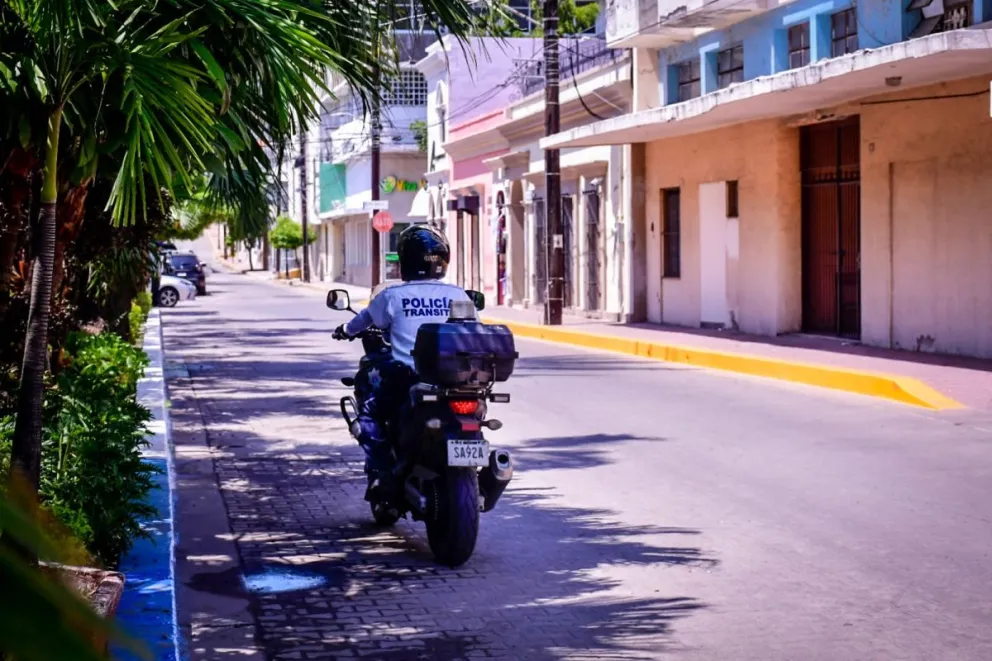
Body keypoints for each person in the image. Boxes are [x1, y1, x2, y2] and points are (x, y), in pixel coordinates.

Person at [333, 224, 471, 494]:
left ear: (404, 261)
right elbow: (471, 328)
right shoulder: (457, 294)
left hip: (408, 376)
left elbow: (363, 321)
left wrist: (344, 331)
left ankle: (382, 468)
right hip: (454, 379)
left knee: (369, 408)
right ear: (442, 262)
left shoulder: (392, 296)